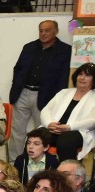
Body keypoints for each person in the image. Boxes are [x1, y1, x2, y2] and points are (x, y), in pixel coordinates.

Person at [8, 20, 71, 159]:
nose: (43, 33)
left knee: (42, 133)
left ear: (56, 31)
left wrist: (58, 100)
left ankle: (38, 163)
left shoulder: (65, 50)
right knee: (17, 131)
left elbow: (64, 77)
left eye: (47, 30)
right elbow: (18, 69)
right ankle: (15, 163)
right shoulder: (29, 47)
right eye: (41, 30)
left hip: (46, 96)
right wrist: (15, 86)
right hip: (23, 93)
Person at [38, 61, 95, 161]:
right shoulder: (64, 92)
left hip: (78, 131)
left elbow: (92, 121)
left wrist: (69, 127)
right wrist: (49, 123)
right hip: (55, 128)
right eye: (80, 74)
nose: (82, 78)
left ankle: (66, 170)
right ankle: (35, 169)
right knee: (35, 137)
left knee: (65, 141)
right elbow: (46, 110)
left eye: (87, 75)